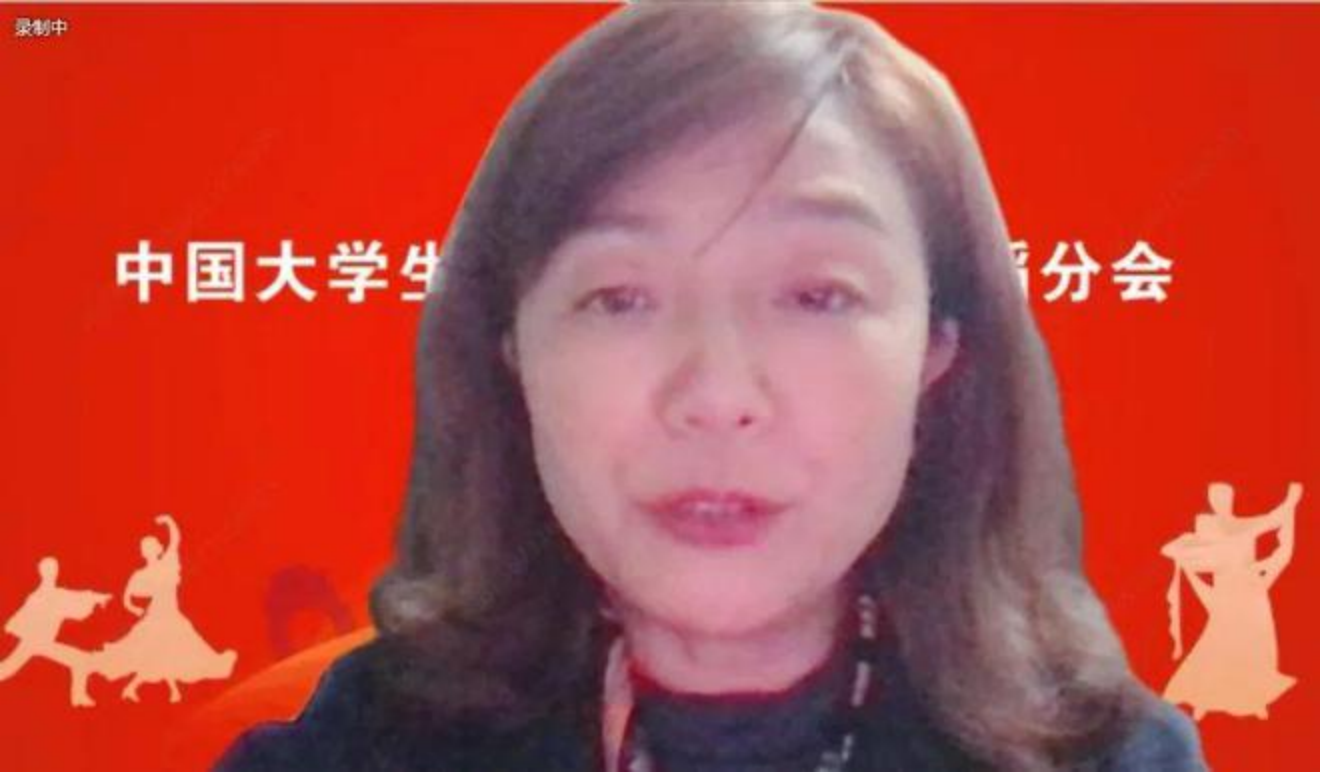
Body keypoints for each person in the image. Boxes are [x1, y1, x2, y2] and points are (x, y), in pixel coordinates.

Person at [216, 3, 1207, 770]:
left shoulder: (1104, 759)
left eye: (817, 295)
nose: (718, 394)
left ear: (938, 349)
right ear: (511, 350)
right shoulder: (357, 749)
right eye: (620, 297)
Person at [1161, 482, 1301, 720]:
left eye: (1225, 496)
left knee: (1254, 642)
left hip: (1250, 588)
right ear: (1211, 500)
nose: (1221, 501)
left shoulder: (1244, 524)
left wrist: (1290, 503)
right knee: (1219, 641)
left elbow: (1273, 520)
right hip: (1227, 590)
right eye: (1216, 497)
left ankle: (1254, 699)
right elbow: (1190, 548)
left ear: (1231, 499)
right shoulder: (1208, 524)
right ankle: (1203, 699)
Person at [95, 514, 238, 703]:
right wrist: (134, 608)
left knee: (167, 653)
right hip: (156, 615)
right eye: (146, 548)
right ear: (143, 553)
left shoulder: (167, 563)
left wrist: (169, 523)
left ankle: (147, 689)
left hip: (169, 613)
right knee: (160, 652)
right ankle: (149, 689)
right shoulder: (142, 574)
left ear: (158, 548)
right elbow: (127, 596)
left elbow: (174, 542)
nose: (149, 550)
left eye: (151, 546)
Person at [0, 556, 109, 707]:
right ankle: (78, 696)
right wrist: (95, 598)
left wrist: (96, 597)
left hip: (40, 643)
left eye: (54, 569)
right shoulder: (45, 595)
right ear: (43, 572)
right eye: (50, 569)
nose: (53, 572)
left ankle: (78, 696)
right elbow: (75, 599)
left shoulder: (51, 594)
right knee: (6, 669)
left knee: (79, 659)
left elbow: (77, 597)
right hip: (35, 642)